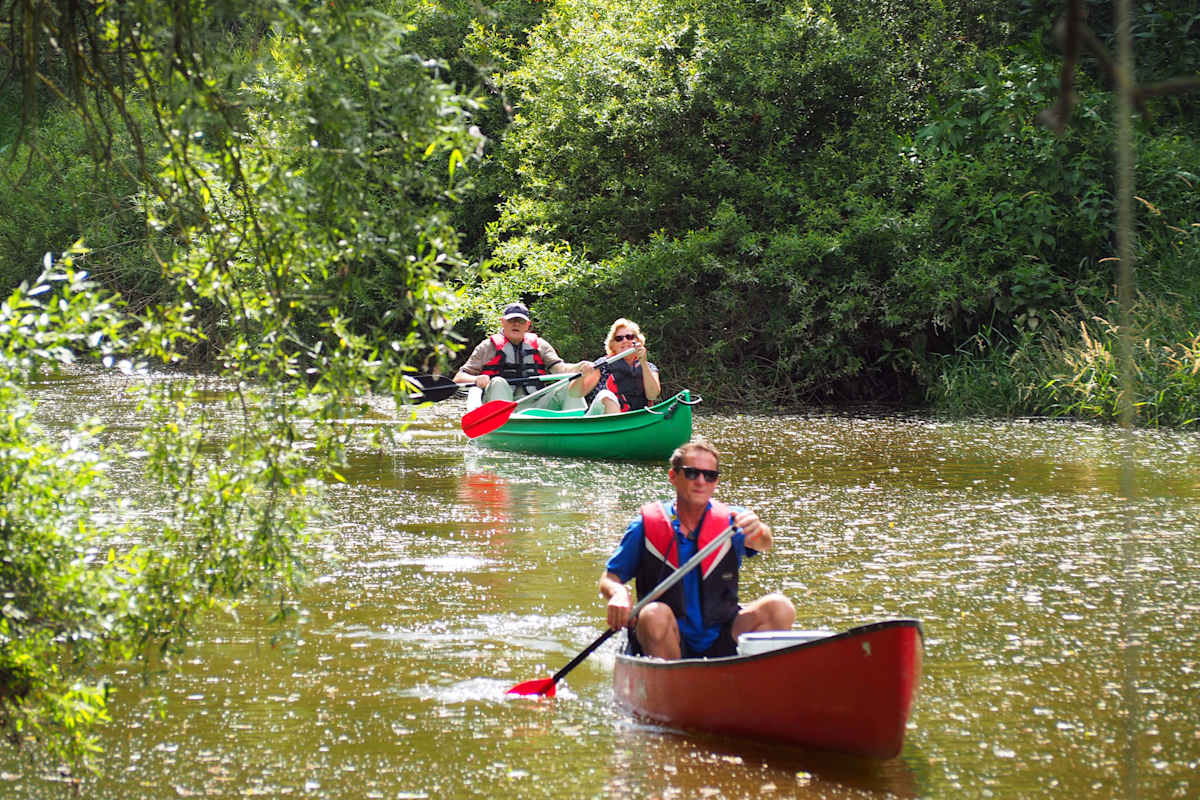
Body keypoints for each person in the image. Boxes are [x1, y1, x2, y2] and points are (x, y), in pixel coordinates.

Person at [597, 438, 795, 659]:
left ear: (715, 482)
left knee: (780, 607)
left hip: (722, 633)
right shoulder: (645, 525)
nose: (701, 481)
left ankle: (751, 677)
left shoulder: (734, 520)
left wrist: (758, 530)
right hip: (666, 637)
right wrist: (618, 594)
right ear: (674, 476)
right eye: (692, 473)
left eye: (710, 475)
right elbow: (609, 578)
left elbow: (764, 542)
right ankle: (672, 684)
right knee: (653, 614)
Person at [453, 302, 597, 410]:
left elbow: (561, 370)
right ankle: (505, 425)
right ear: (502, 322)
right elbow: (459, 378)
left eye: (520, 321)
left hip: (536, 403)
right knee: (497, 382)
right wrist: (476, 379)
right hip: (500, 408)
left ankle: (577, 423)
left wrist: (579, 367)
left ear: (528, 325)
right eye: (511, 320)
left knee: (566, 386)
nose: (516, 324)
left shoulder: (540, 345)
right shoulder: (487, 347)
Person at [585, 318, 661, 415]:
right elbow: (578, 393)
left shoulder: (649, 367)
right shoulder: (602, 364)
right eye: (619, 339)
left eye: (629, 337)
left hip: (636, 418)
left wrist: (643, 362)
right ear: (613, 345)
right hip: (600, 420)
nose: (625, 341)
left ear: (637, 341)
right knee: (605, 395)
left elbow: (652, 395)